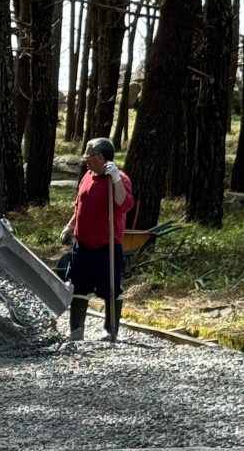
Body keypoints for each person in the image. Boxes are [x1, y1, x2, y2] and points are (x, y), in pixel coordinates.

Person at [60, 137, 134, 341]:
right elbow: (80, 205)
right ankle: (76, 330)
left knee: (110, 288)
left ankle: (110, 330)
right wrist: (71, 225)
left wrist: (116, 179)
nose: (85, 159)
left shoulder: (119, 179)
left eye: (88, 155)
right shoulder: (87, 176)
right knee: (77, 286)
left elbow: (123, 203)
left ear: (100, 157)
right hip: (82, 246)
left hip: (106, 247)